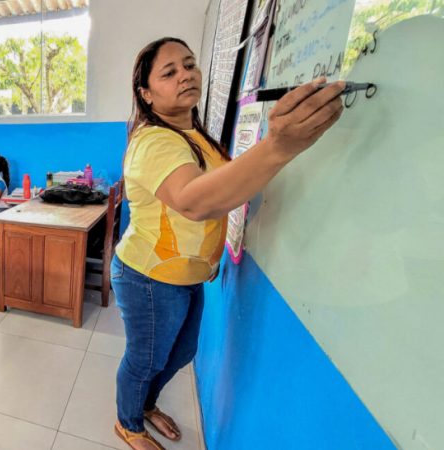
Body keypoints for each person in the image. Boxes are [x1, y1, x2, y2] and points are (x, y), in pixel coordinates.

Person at [112, 38, 345, 450]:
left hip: (187, 273)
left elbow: (221, 190)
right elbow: (194, 200)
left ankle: (145, 404)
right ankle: (128, 424)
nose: (185, 74)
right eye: (169, 72)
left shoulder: (194, 134)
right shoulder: (153, 142)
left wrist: (209, 254)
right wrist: (279, 146)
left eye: (189, 65)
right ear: (145, 94)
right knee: (146, 358)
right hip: (147, 275)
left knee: (180, 353)